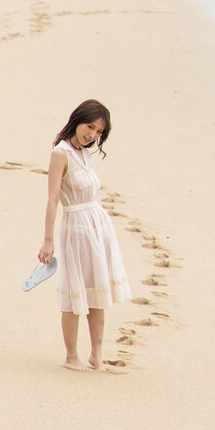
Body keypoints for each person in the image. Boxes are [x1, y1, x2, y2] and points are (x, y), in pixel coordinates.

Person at [37, 99, 131, 370]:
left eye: (99, 131)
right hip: (76, 227)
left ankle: (96, 355)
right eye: (90, 127)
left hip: (97, 224)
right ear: (77, 121)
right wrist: (48, 240)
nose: (93, 135)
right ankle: (71, 356)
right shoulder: (61, 154)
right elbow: (53, 199)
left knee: (97, 290)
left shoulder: (84, 153)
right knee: (74, 291)